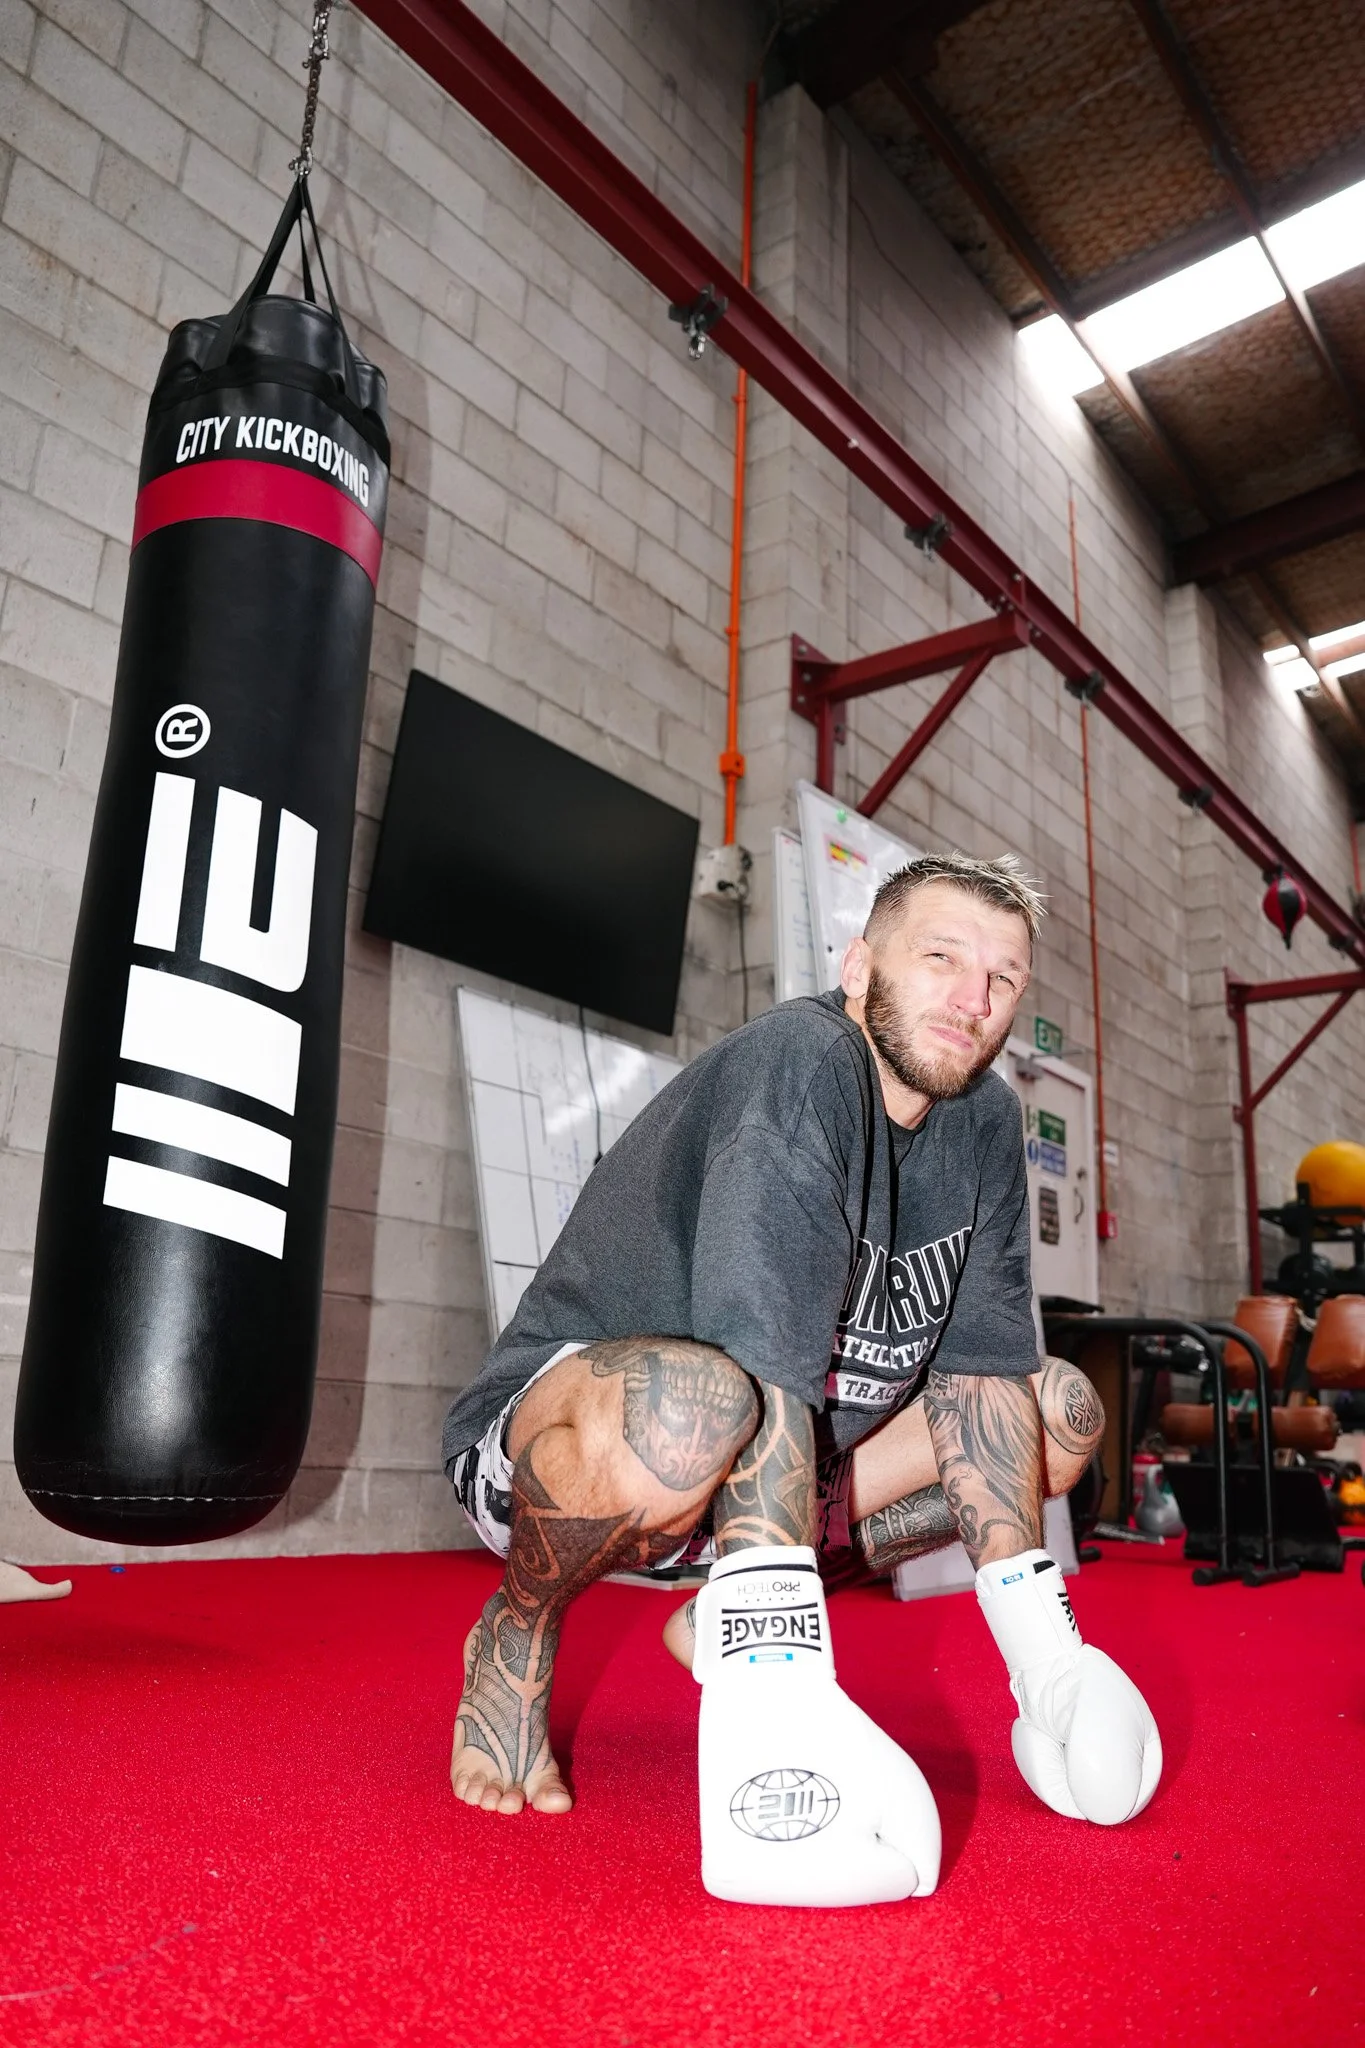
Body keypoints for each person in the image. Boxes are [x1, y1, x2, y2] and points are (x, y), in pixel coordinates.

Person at [441, 852, 1160, 1903]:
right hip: (579, 1440)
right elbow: (764, 1371)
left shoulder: (983, 1122)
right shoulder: (803, 1065)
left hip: (769, 1469)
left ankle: (719, 1608)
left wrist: (1046, 1656)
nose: (973, 998)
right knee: (701, 1403)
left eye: (1002, 977)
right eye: (941, 958)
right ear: (859, 967)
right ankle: (518, 1631)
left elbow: (980, 1384)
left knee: (1055, 1411)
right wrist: (775, 1691)